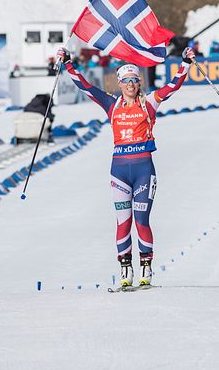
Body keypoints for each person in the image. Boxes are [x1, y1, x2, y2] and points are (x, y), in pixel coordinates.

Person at [57, 45, 195, 288]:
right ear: (119, 83)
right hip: (119, 172)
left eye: (134, 80)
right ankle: (125, 269)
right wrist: (68, 63)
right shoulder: (111, 105)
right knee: (123, 221)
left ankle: (146, 267)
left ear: (138, 83)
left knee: (141, 219)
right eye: (126, 80)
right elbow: (85, 86)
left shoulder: (149, 103)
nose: (131, 84)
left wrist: (184, 63)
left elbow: (172, 86)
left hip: (143, 171)